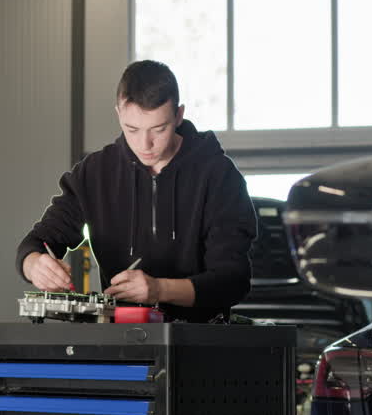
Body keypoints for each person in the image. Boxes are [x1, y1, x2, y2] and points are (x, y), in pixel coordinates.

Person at [16, 60, 257, 322]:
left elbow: (233, 280)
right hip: (122, 337)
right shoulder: (95, 173)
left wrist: (160, 290)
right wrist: (34, 264)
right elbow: (37, 242)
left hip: (200, 339)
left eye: (159, 129)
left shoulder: (218, 175)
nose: (145, 144)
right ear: (119, 113)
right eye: (132, 129)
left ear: (178, 115)